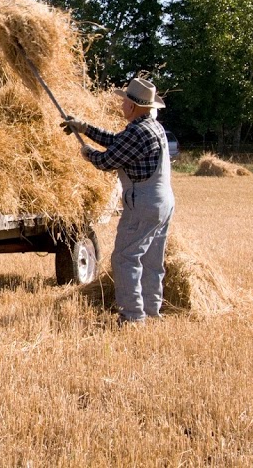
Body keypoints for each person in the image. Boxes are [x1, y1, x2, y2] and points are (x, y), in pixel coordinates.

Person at [63, 77, 174, 327]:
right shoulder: (152, 126)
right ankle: (151, 311)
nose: (121, 104)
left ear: (133, 107)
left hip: (143, 203)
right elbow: (117, 142)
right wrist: (84, 128)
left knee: (125, 258)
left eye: (124, 101)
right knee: (151, 260)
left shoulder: (138, 131)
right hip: (163, 202)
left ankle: (133, 317)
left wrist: (87, 153)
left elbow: (107, 161)